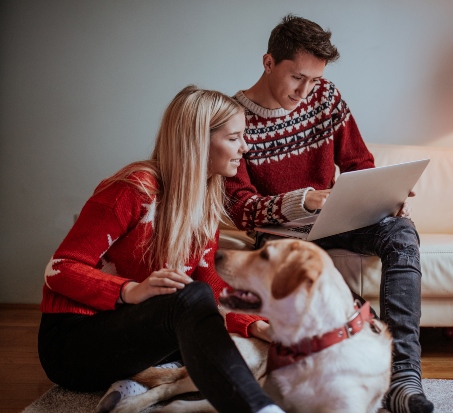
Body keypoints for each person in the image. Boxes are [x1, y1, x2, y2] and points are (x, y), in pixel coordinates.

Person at [225, 15, 434, 413]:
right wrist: (303, 201)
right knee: (327, 301)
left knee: (401, 232)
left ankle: (403, 377)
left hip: (338, 219)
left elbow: (358, 163)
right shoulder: (234, 118)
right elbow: (240, 209)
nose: (306, 91)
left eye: (314, 80)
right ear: (268, 62)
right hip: (282, 236)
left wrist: (386, 195)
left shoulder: (326, 97)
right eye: (297, 78)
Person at [38, 85, 282, 413]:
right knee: (193, 301)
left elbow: (210, 283)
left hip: (130, 334)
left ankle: (133, 386)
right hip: (72, 344)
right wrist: (131, 291)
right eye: (234, 137)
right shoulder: (133, 189)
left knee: (212, 311)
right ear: (199, 140)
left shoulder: (204, 202)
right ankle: (257, 407)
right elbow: (60, 269)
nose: (245, 147)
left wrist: (251, 323)